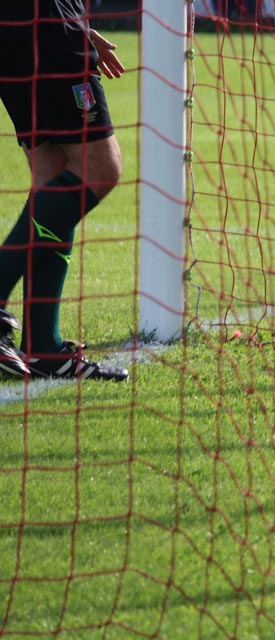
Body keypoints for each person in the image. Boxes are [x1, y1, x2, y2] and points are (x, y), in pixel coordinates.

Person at [0, 2, 128, 381]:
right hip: (46, 23)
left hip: (18, 29)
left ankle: (43, 348)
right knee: (100, 168)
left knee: (52, 173)